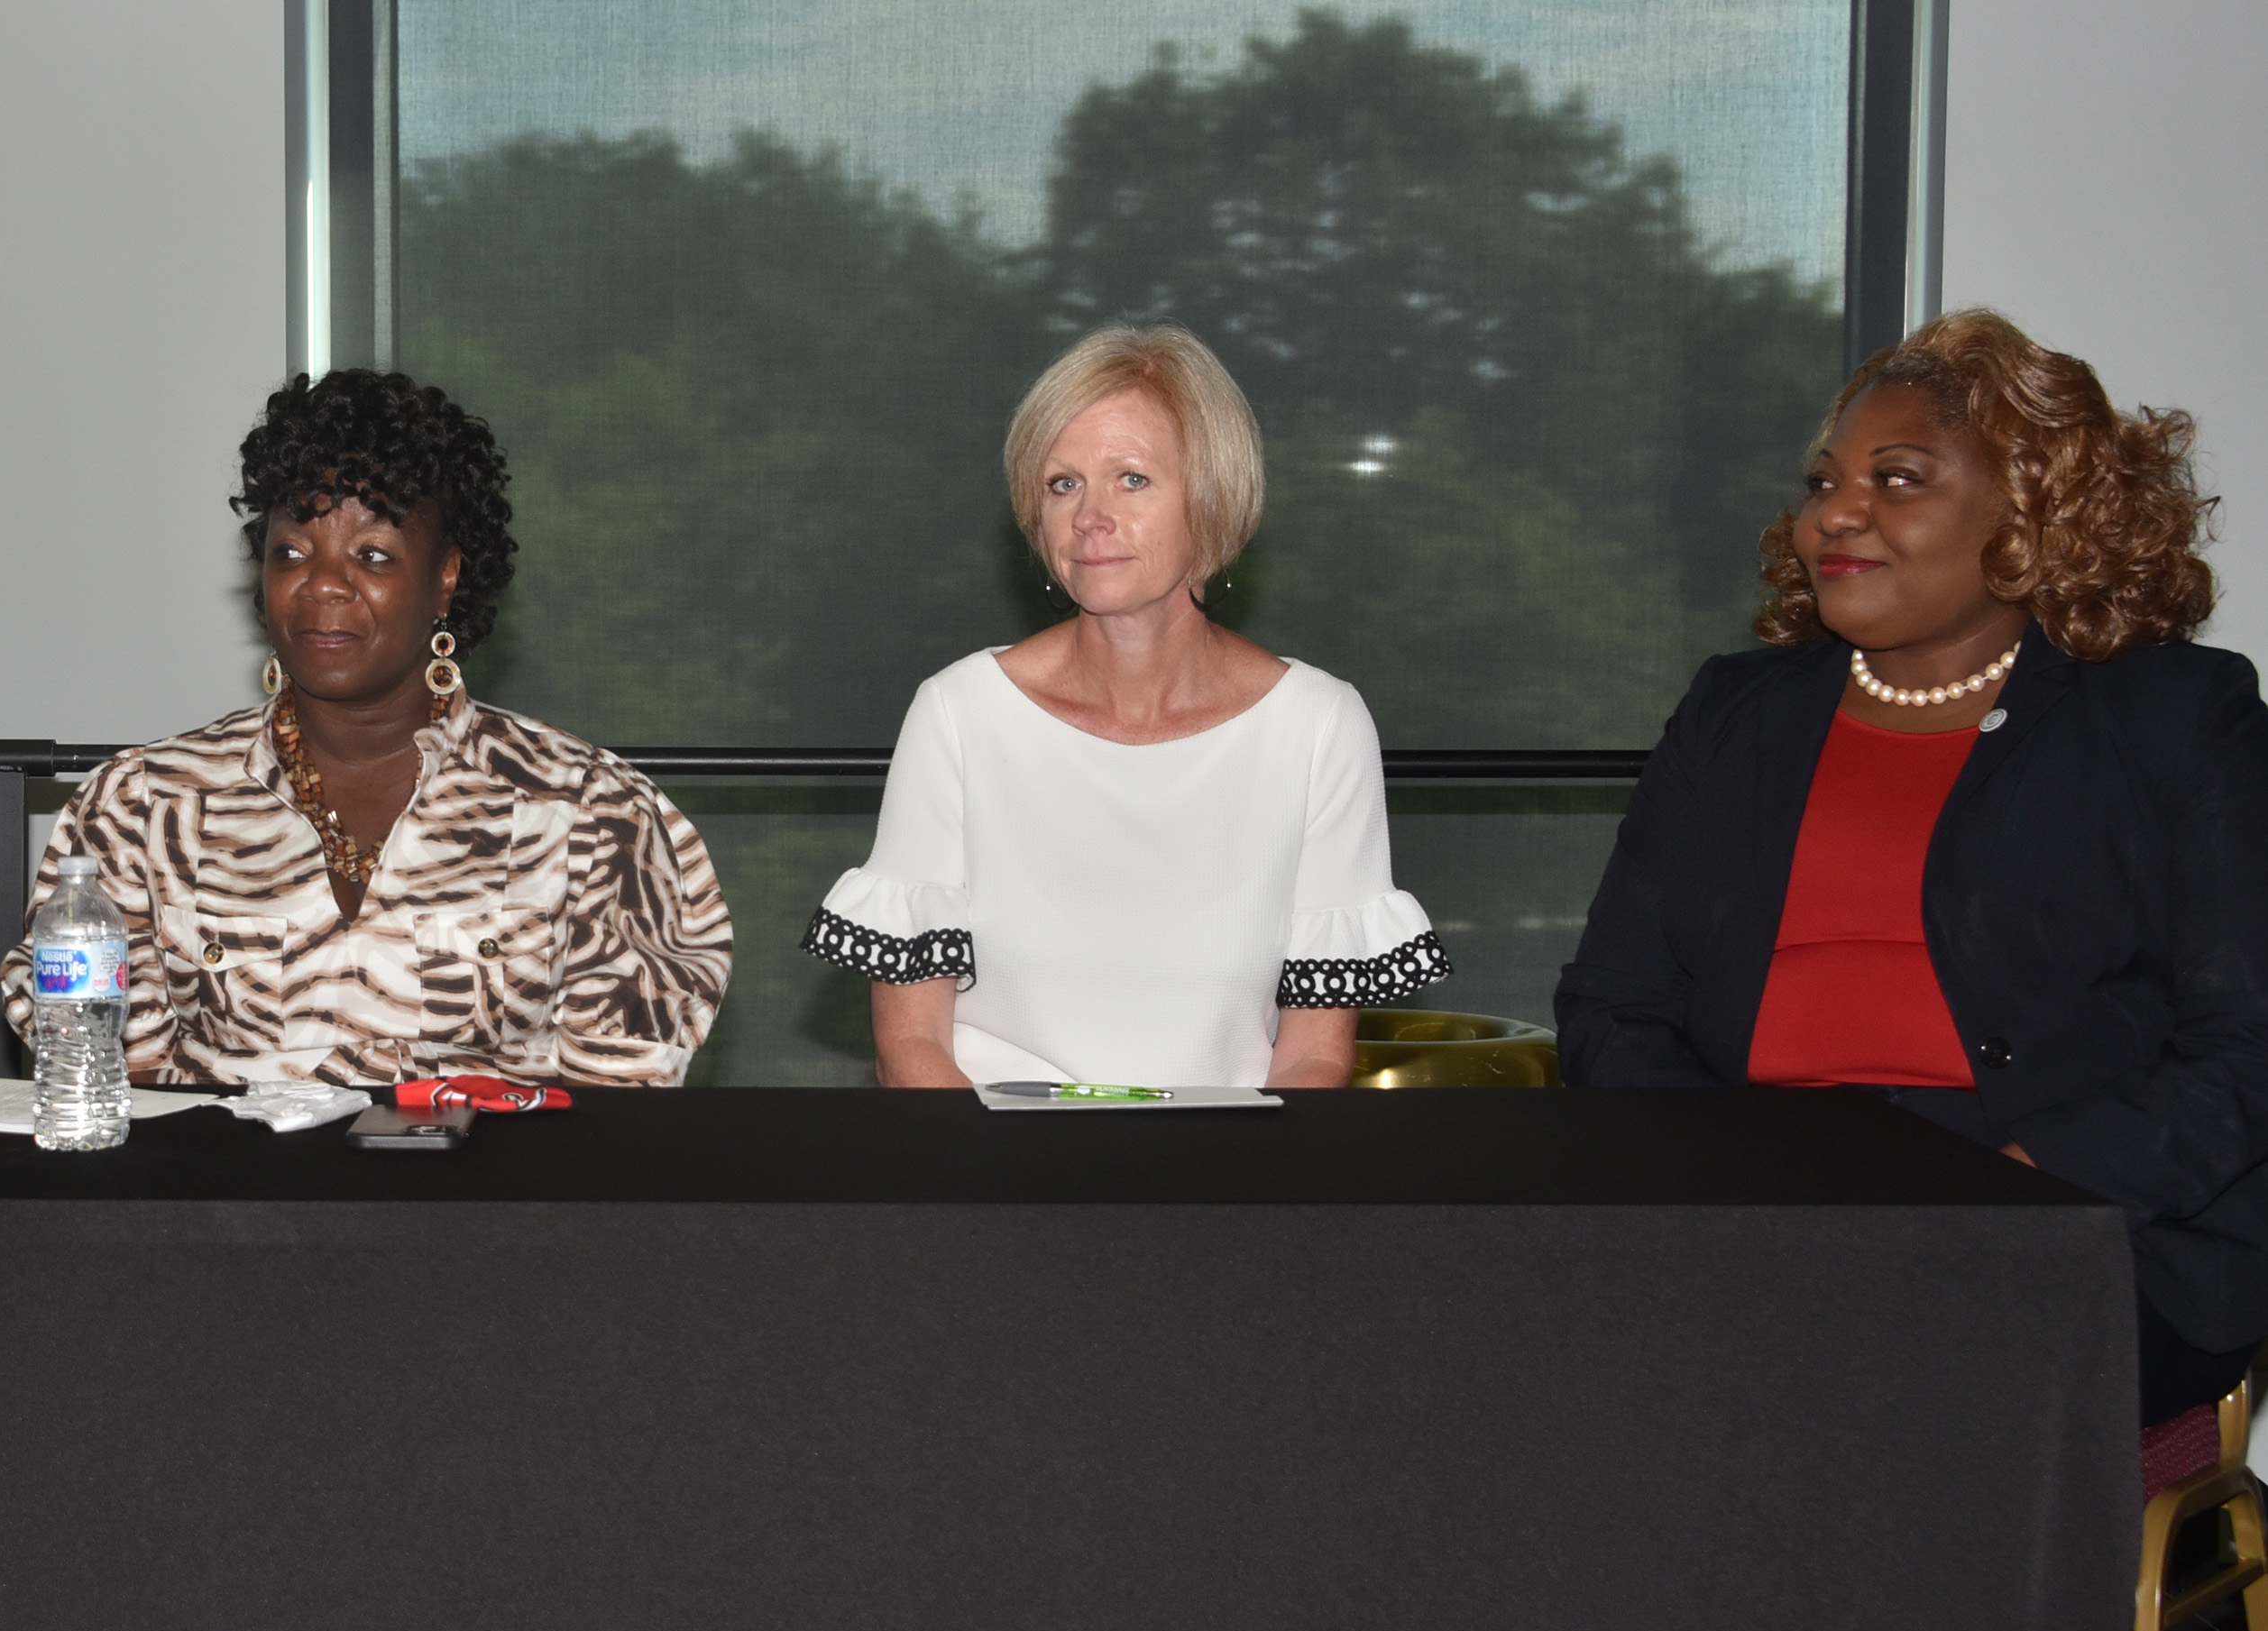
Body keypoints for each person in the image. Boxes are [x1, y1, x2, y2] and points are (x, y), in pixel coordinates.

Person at [1555, 308, 2266, 1425]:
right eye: (1826, 480)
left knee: (1863, 1365)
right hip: (1760, 1206)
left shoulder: (2175, 717)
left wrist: (2006, 1188)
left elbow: (2244, 1052)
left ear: (2031, 508)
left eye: (1898, 479)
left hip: (2072, 1226)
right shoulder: (1736, 713)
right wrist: (1749, 1179)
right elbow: (1612, 1009)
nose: (1834, 512)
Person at [0, 368, 732, 1085]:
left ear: (446, 576)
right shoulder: (145, 806)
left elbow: (616, 1123)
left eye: (372, 555)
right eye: (291, 552)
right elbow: (110, 1092)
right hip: (225, 1204)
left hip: (490, 1205)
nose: (322, 583)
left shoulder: (590, 814)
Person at [800, 323, 1448, 1088]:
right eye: (1062, 483)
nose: (1088, 517)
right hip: (992, 1177)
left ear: (1210, 501)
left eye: (1132, 479)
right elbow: (911, 1048)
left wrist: (1225, 1199)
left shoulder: (1318, 727)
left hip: (1224, 1181)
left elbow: (1313, 1056)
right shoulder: (958, 714)